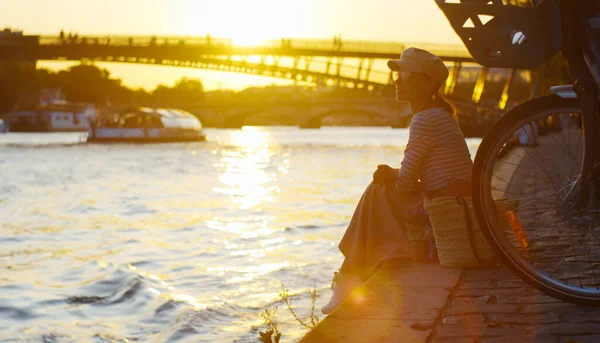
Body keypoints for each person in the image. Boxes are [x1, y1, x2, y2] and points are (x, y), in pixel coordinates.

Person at [321, 48, 473, 314]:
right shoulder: (441, 116)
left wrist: (391, 175)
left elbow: (404, 186)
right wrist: (394, 174)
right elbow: (417, 179)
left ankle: (348, 277)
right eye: (396, 73)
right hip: (456, 205)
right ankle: (350, 277)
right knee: (379, 189)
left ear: (427, 83)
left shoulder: (425, 120)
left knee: (377, 190)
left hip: (446, 210)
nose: (396, 80)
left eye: (404, 74)